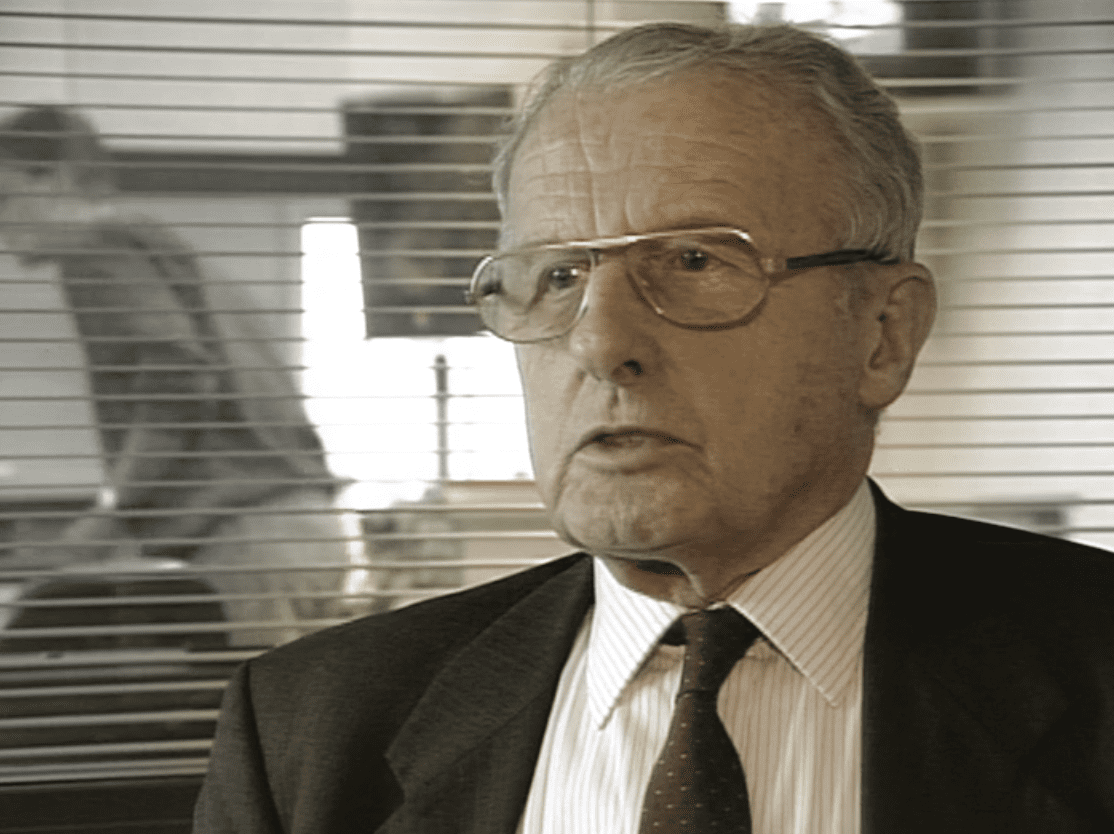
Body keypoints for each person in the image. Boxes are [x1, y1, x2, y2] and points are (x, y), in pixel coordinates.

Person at [193, 22, 1114, 833]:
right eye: (556, 277)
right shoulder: (314, 729)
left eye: (695, 260)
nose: (599, 343)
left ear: (883, 335)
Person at [0, 105, 366, 647]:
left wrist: (106, 517)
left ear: (52, 177)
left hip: (249, 538)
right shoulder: (163, 249)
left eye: (3, 199)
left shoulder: (95, 248)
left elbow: (178, 385)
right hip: (293, 529)